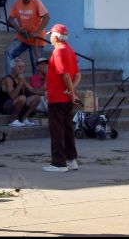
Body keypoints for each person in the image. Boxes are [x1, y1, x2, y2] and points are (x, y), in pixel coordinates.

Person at [42, 24, 82, 173]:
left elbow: (65, 75)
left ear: (56, 37)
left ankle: (59, 163)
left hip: (57, 97)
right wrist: (71, 90)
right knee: (67, 129)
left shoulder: (58, 51)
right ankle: (71, 160)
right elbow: (77, 75)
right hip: (64, 97)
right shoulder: (70, 50)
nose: (50, 37)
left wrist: (71, 91)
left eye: (51, 35)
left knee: (57, 130)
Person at [5, 0, 49, 74]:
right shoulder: (17, 3)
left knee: (37, 65)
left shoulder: (36, 2)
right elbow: (10, 20)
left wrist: (37, 32)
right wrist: (18, 29)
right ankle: (10, 79)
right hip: (24, 37)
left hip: (36, 39)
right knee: (9, 52)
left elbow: (46, 17)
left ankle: (38, 85)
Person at [0, 58, 41, 127]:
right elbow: (12, 96)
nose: (21, 69)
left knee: (37, 98)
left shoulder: (21, 78)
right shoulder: (8, 79)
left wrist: (46, 90)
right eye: (19, 67)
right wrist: (20, 84)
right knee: (22, 98)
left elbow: (32, 90)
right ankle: (13, 120)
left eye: (23, 67)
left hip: (19, 103)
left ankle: (23, 119)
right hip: (7, 105)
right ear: (13, 68)